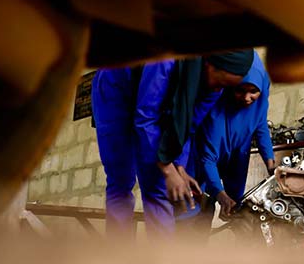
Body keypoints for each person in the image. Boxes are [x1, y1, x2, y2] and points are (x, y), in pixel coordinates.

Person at [91, 50, 254, 237]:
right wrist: (167, 168)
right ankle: (118, 255)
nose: (218, 90)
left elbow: (187, 128)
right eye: (220, 82)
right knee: (121, 180)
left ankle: (164, 260)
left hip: (153, 103)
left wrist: (180, 168)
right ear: (208, 64)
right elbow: (146, 119)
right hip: (116, 92)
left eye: (226, 87)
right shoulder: (165, 61)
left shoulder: (215, 89)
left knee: (158, 186)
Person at [198, 51, 275, 223]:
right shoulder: (216, 113)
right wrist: (220, 194)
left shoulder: (261, 97)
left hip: (239, 153)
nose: (247, 99)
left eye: (253, 91)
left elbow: (260, 125)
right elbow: (208, 158)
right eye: (240, 90)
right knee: (202, 206)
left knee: (236, 209)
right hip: (207, 156)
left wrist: (271, 164)